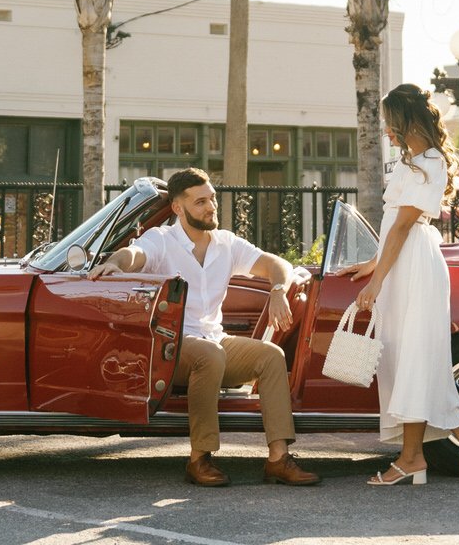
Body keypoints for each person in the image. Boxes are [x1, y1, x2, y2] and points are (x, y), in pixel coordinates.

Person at [90, 167, 322, 488]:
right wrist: (114, 264)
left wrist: (279, 289)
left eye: (212, 198)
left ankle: (277, 459)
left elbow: (275, 264)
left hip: (215, 340)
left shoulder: (225, 243)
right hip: (173, 349)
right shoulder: (162, 240)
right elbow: (135, 254)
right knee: (210, 355)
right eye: (200, 202)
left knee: (271, 356)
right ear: (178, 208)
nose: (211, 207)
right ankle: (199, 459)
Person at [342, 83, 459, 487]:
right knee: (403, 357)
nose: (386, 132)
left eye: (390, 124)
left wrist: (377, 281)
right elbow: (394, 226)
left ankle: (413, 457)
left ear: (407, 121)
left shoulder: (431, 161)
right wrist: (372, 265)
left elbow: (405, 225)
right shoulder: (410, 162)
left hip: (416, 268)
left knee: (415, 359)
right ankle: (454, 435)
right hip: (401, 265)